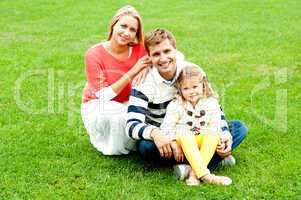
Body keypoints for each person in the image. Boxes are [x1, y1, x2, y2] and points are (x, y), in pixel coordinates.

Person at [126, 28, 247, 172]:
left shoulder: (194, 71)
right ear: (149, 57)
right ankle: (212, 160)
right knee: (145, 147)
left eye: (167, 51)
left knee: (239, 128)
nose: (163, 58)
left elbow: (214, 107)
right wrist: (156, 134)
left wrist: (225, 134)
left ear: (175, 50)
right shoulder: (143, 82)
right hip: (167, 137)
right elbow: (131, 125)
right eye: (156, 54)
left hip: (198, 132)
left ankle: (189, 169)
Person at [81, 5, 151, 155]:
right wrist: (133, 72)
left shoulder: (141, 50)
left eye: (132, 30)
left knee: (148, 114)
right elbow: (104, 96)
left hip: (128, 101)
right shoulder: (94, 54)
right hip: (98, 104)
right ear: (114, 25)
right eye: (123, 26)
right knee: (120, 118)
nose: (126, 33)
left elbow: (172, 54)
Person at [160, 63, 232, 186]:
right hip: (181, 141)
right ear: (180, 89)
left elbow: (216, 125)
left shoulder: (211, 103)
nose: (191, 92)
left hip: (201, 140)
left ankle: (194, 174)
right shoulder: (176, 105)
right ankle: (207, 176)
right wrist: (173, 143)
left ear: (203, 86)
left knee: (213, 134)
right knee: (186, 135)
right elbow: (166, 128)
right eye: (186, 88)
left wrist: (220, 141)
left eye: (195, 87)